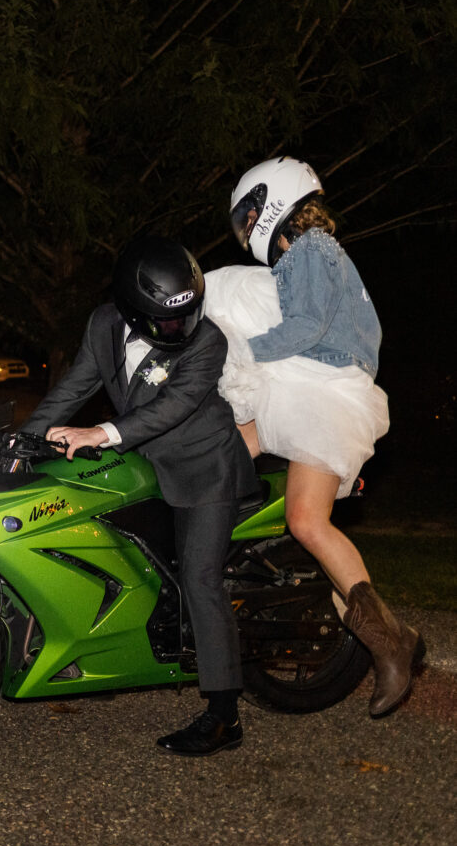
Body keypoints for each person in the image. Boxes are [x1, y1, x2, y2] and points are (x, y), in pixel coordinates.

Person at [21, 235, 259, 756]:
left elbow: (170, 409)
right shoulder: (103, 325)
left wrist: (98, 433)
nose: (180, 328)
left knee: (199, 580)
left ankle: (224, 717)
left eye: (187, 315)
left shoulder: (207, 342)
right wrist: (25, 440)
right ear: (131, 308)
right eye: (167, 320)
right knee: (117, 554)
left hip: (205, 470)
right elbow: (73, 389)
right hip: (143, 468)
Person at [204, 155, 424, 717]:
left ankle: (390, 644)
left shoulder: (312, 250)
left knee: (306, 520)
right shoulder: (314, 257)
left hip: (323, 390)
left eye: (248, 215)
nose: (246, 230)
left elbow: (306, 328)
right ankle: (200, 558)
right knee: (233, 450)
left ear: (272, 202)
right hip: (314, 384)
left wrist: (241, 353)